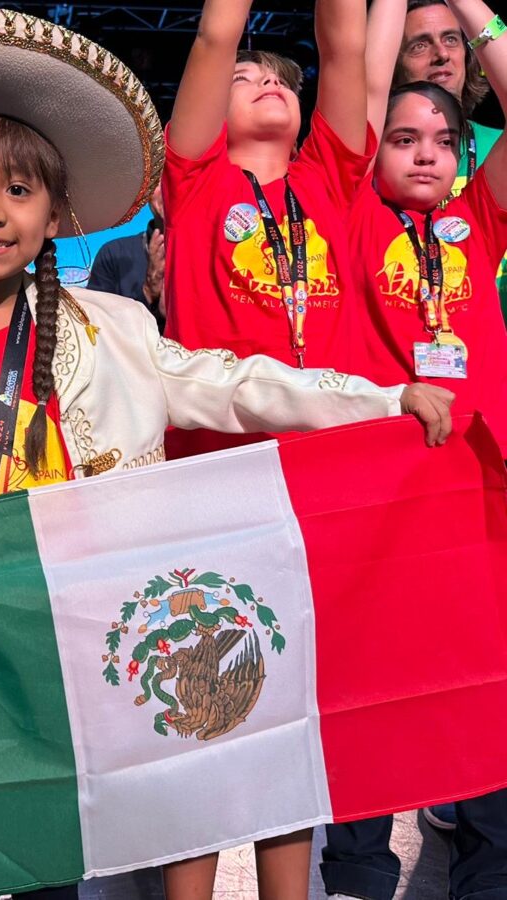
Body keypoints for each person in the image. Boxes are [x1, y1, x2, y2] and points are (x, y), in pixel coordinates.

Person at [0, 8, 452, 900]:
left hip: (60, 673)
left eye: (18, 192)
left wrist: (385, 397)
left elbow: (241, 383)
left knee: (47, 877)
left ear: (55, 215)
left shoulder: (117, 335)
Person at [159, 0, 376, 893]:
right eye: (248, 79)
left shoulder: (332, 178)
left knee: (290, 720)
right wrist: (229, 45)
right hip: (210, 481)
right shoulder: (196, 178)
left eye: (279, 79)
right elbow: (217, 34)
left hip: (316, 485)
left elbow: (346, 40)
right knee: (204, 715)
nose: (266, 82)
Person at [321, 0, 507, 897]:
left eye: (442, 137)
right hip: (378, 514)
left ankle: (485, 873)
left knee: (485, 696)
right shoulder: (354, 214)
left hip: (479, 509)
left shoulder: (481, 215)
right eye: (403, 137)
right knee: (368, 708)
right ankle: (357, 875)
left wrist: (477, 14)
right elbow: (361, 78)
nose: (426, 149)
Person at [392, 0, 507, 318]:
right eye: (420, 45)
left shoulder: (497, 146)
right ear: (394, 63)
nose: (441, 54)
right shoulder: (374, 158)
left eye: (452, 39)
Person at [87, 181, 166, 331]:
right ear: (147, 193)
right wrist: (148, 291)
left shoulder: (215, 255)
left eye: (175, 180)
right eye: (159, 182)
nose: (167, 189)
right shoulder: (113, 255)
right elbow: (97, 330)